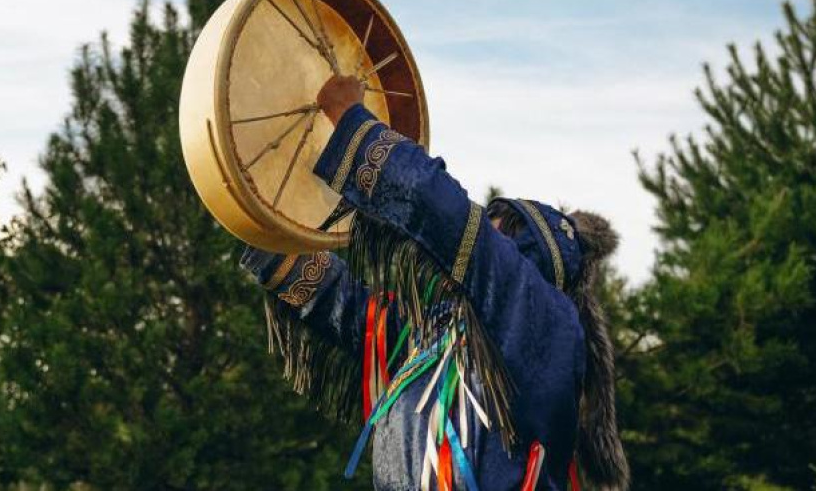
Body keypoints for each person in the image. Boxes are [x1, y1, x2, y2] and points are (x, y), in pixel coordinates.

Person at [240, 75, 630, 491]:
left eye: (493, 233)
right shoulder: (438, 343)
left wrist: (349, 117)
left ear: (522, 255)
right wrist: (260, 218)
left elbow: (438, 206)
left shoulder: (543, 317)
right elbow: (348, 309)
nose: (479, 242)